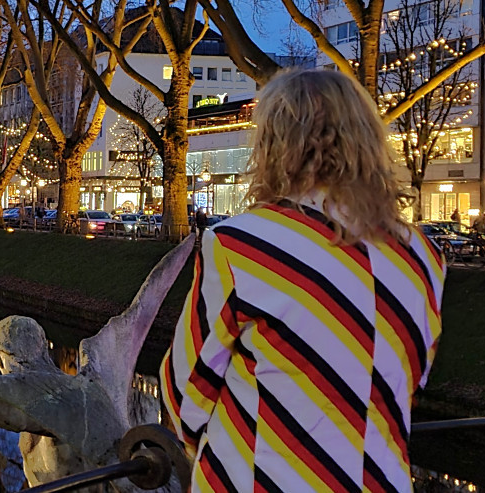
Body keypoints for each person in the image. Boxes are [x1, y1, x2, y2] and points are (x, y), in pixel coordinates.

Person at [160, 69, 445, 493]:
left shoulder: (242, 246)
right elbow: (410, 379)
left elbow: (185, 395)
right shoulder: (422, 254)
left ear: (274, 146)